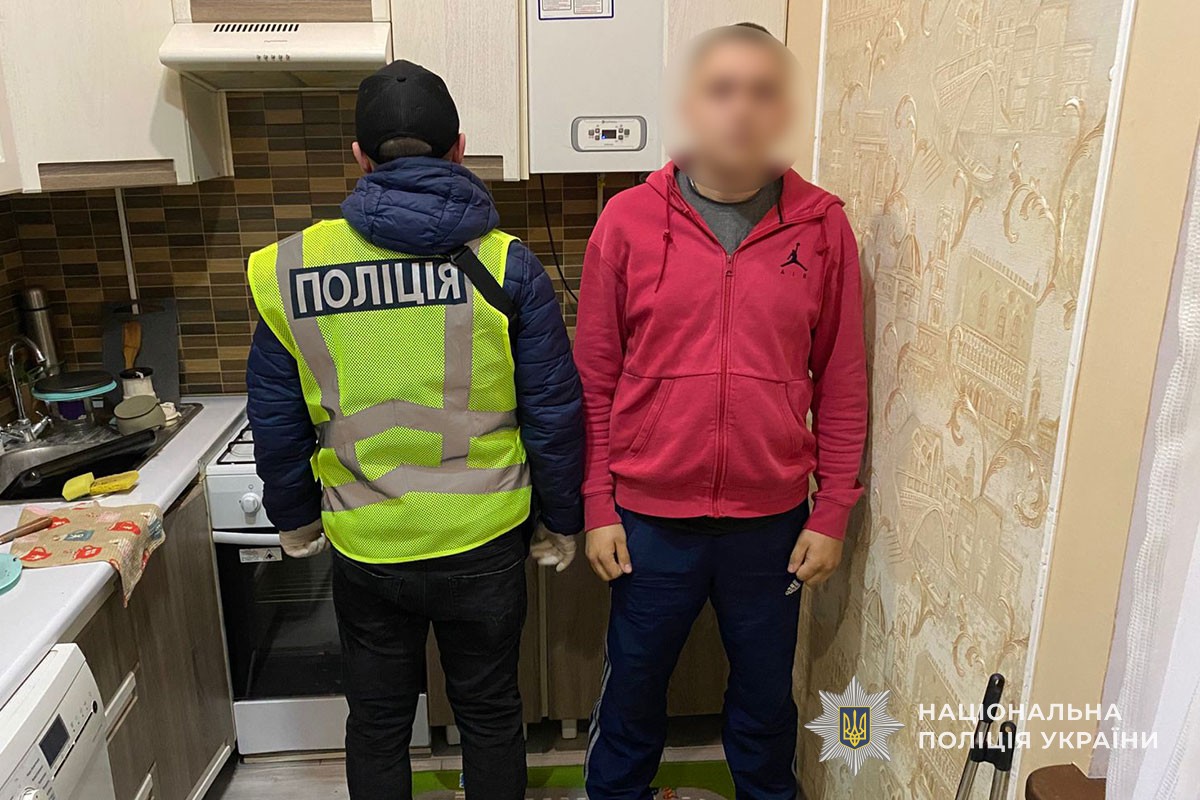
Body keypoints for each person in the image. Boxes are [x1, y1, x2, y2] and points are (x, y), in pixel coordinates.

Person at [244, 60, 583, 800]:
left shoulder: (291, 268)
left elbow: (275, 417)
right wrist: (561, 520)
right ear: (459, 149)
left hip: (368, 544)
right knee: (489, 714)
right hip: (485, 538)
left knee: (377, 721)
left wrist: (295, 515)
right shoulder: (507, 265)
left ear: (358, 157)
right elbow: (554, 412)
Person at [574, 23, 867, 800]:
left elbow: (842, 380)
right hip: (647, 522)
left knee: (766, 706)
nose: (741, 109)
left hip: (771, 526)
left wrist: (832, 510)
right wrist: (597, 505)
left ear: (784, 110)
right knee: (632, 698)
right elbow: (594, 381)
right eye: (721, 89)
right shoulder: (626, 222)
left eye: (763, 92)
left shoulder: (823, 227)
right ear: (689, 104)